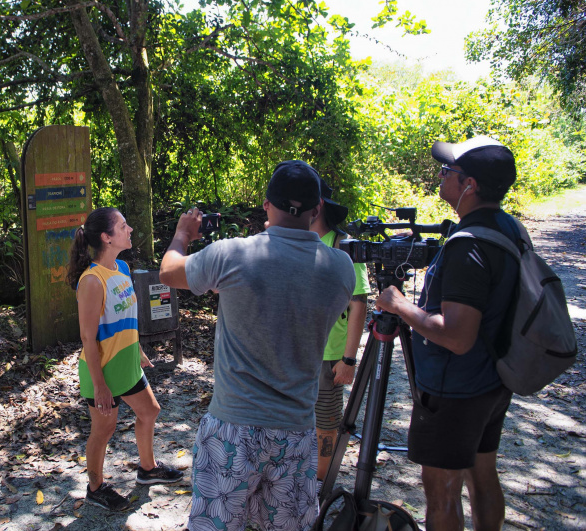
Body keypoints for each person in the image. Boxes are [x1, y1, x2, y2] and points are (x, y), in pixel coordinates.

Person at [160, 161, 356, 531]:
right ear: (318, 209)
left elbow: (169, 271)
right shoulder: (341, 268)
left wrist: (182, 235)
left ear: (266, 205)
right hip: (296, 432)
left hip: (233, 427)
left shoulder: (232, 255)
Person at [375, 136, 519, 531]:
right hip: (493, 379)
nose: (440, 176)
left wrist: (400, 305)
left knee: (441, 490)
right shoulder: (506, 227)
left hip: (456, 389)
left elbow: (456, 336)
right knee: (481, 475)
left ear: (469, 184)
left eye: (446, 171)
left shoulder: (467, 247)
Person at [66, 207, 183, 512]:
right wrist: (101, 386)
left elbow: (125, 319)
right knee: (103, 430)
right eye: (123, 226)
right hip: (101, 370)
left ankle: (147, 470)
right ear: (106, 237)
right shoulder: (91, 281)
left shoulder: (121, 268)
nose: (129, 229)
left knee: (150, 411)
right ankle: (95, 488)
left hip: (127, 362)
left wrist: (138, 351)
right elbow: (89, 338)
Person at [309, 180, 370, 483]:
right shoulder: (297, 240)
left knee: (326, 422)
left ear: (317, 207)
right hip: (297, 351)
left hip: (330, 354)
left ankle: (321, 483)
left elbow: (359, 304)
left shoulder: (343, 246)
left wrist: (349, 360)